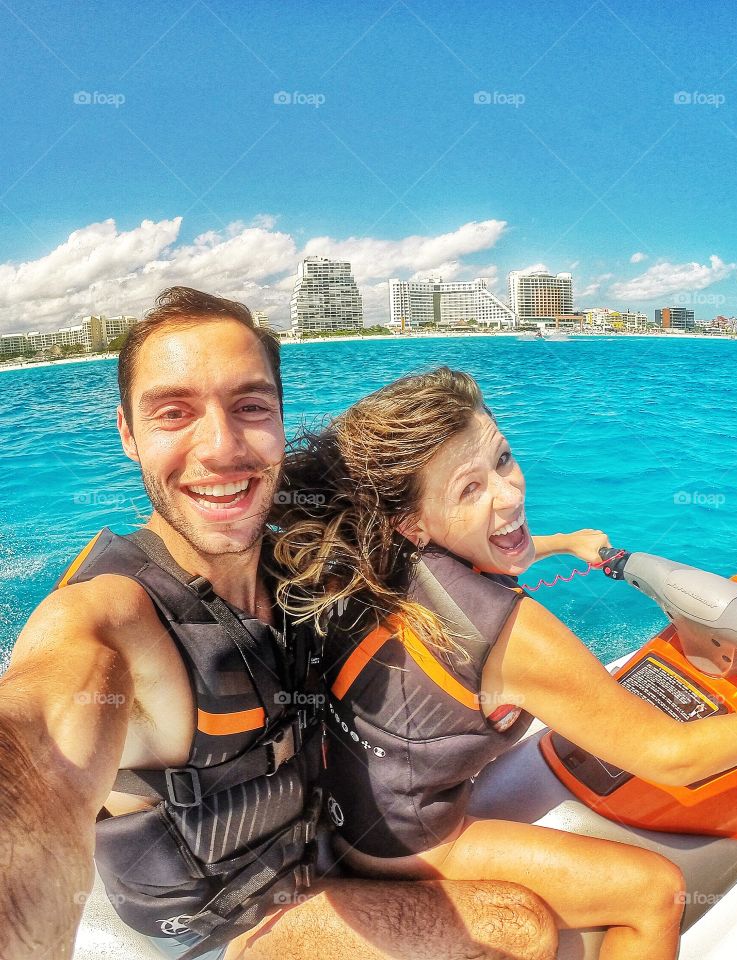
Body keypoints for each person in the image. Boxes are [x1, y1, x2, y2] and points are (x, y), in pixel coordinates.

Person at [0, 290, 558, 960]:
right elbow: (34, 749)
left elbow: (424, 532)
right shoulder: (113, 621)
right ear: (127, 432)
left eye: (251, 407)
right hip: (228, 934)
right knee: (520, 928)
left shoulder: (289, 555)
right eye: (174, 413)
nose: (221, 448)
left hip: (316, 854)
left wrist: (557, 543)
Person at [272, 367, 737, 960]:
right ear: (413, 522)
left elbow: (474, 557)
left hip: (350, 819)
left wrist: (558, 541)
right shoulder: (516, 639)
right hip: (413, 847)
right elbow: (673, 759)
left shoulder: (370, 565)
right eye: (469, 489)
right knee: (656, 892)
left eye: (502, 459)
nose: (510, 492)